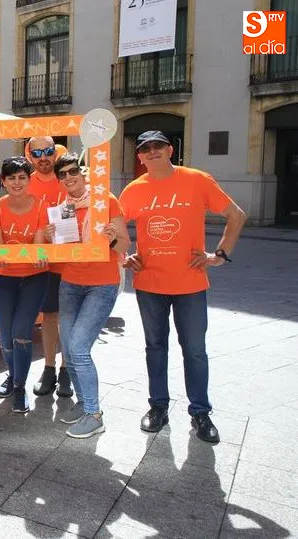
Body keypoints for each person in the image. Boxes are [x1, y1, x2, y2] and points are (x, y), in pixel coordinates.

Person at [119, 130, 246, 444]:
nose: (152, 151)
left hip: (190, 283)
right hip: (149, 282)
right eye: (145, 148)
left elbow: (236, 215)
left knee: (195, 350)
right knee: (155, 347)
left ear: (170, 150)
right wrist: (124, 256)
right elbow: (113, 229)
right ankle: (158, 407)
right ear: (140, 157)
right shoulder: (134, 190)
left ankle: (200, 412)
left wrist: (219, 255)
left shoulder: (197, 180)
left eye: (158, 146)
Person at [47, 153, 131, 438]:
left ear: (82, 173)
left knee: (79, 348)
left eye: (73, 171)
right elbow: (64, 249)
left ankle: (94, 415)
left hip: (102, 284)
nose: (69, 178)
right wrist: (50, 237)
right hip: (71, 282)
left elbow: (125, 243)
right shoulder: (63, 209)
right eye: (62, 175)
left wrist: (111, 238)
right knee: (69, 348)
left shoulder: (105, 201)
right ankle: (84, 404)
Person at [0, 157, 49, 414]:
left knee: (21, 333)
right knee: (6, 336)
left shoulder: (42, 205)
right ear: (3, 181)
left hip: (35, 277)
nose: (17, 182)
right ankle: (13, 376)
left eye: (22, 177)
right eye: (11, 178)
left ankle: (19, 387)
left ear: (29, 179)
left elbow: (39, 243)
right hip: (4, 278)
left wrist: (39, 255)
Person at [25, 136, 71, 399]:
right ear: (29, 155)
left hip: (71, 259)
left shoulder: (68, 177)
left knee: (68, 318)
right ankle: (49, 368)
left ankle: (66, 370)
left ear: (55, 152)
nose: (43, 157)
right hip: (41, 263)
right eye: (37, 152)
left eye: (48, 151)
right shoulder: (24, 182)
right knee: (50, 317)